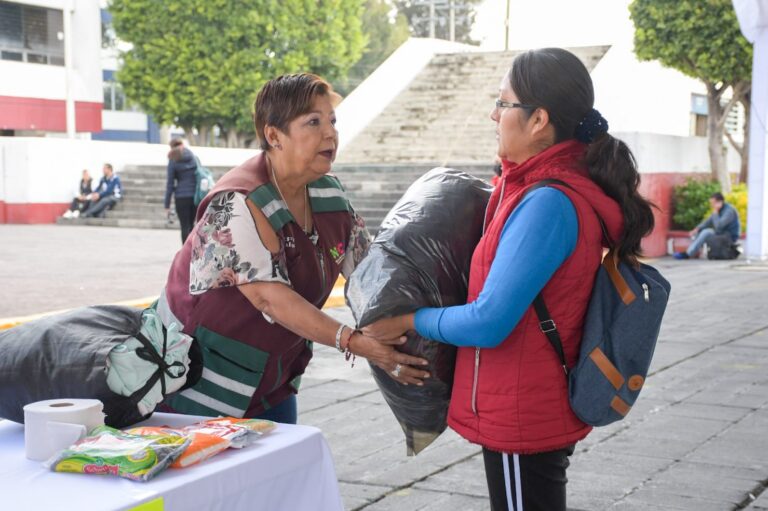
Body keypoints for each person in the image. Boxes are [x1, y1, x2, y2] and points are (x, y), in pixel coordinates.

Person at [362, 48, 655, 511]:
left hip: (525, 412)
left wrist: (410, 320)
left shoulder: (548, 204)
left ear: (538, 119)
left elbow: (490, 321)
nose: (492, 114)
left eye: (503, 103)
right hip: (522, 400)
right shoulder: (530, 189)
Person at [155, 73, 429, 424]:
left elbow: (370, 274)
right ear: (273, 136)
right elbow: (270, 298)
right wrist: (355, 341)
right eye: (313, 122)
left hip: (273, 379)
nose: (330, 133)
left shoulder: (330, 194)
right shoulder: (237, 200)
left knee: (279, 471)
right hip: (197, 382)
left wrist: (411, 320)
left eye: (332, 120)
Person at [673, 192, 740, 259]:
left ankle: (687, 254)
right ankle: (694, 253)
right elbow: (707, 221)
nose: (711, 205)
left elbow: (719, 226)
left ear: (720, 202)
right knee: (699, 231)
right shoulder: (719, 209)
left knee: (706, 232)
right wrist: (697, 229)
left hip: (729, 236)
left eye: (713, 203)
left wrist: (715, 213)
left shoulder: (729, 211)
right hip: (721, 233)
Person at [165, 138, 198, 243]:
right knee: (192, 225)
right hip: (194, 196)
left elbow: (170, 184)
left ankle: (185, 254)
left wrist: (167, 204)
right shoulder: (193, 157)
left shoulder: (173, 159)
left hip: (181, 197)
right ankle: (194, 253)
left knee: (184, 226)